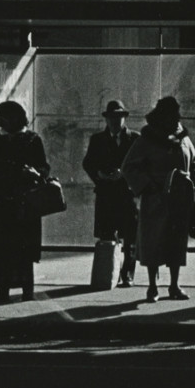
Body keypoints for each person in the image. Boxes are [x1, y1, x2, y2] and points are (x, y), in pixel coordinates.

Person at [121, 96, 195, 302]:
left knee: (176, 243)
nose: (177, 118)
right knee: (153, 243)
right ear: (163, 115)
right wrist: (148, 187)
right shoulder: (147, 139)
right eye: (173, 114)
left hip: (179, 200)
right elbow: (129, 166)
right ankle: (152, 286)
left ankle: (174, 285)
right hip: (155, 199)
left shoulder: (183, 137)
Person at [0, 100, 49, 301]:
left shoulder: (19, 140)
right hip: (12, 202)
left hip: (13, 202)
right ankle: (13, 289)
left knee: (15, 248)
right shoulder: (24, 140)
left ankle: (14, 290)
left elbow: (43, 167)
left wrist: (35, 172)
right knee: (9, 248)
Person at [82, 99, 140, 287]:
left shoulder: (135, 139)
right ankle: (108, 273)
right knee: (107, 237)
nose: (115, 122)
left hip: (126, 194)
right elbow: (88, 163)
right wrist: (99, 175)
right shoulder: (97, 140)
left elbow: (141, 164)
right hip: (106, 194)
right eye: (112, 118)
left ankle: (128, 274)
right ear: (107, 120)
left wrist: (124, 175)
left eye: (119, 117)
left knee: (130, 237)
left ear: (124, 118)